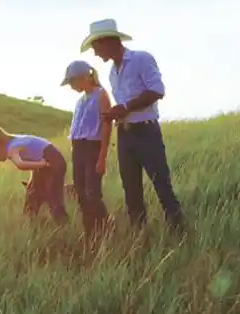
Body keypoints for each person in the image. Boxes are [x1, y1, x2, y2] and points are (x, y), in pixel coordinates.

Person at [79, 18, 185, 234]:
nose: (95, 53)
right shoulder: (112, 73)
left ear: (107, 41)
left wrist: (125, 107)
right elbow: (124, 107)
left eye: (95, 47)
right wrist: (114, 115)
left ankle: (180, 233)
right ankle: (140, 238)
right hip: (125, 134)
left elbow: (157, 90)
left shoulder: (141, 59)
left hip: (146, 132)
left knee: (161, 185)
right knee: (131, 190)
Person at [60, 60, 113, 244]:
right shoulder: (79, 101)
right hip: (79, 149)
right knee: (81, 192)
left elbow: (107, 126)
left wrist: (102, 157)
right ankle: (90, 232)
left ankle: (105, 228)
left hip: (93, 148)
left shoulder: (101, 95)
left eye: (73, 82)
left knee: (92, 193)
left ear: (84, 77)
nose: (72, 87)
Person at [0, 125, 68, 225]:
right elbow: (34, 154)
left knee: (53, 196)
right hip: (46, 161)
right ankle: (30, 223)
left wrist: (43, 163)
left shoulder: (12, 148)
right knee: (32, 193)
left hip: (53, 162)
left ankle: (62, 224)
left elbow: (20, 165)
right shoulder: (14, 141)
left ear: (0, 147)